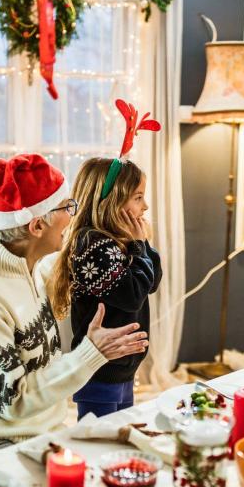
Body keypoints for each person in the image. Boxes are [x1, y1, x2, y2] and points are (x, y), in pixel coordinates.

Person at [0, 154, 148, 461]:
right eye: (67, 208)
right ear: (36, 226)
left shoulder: (32, 268)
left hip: (41, 435)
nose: (73, 216)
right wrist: (91, 354)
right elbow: (14, 401)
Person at [49, 157, 162, 419]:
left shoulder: (117, 241)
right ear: (111, 200)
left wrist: (142, 244)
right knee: (97, 435)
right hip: (99, 368)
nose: (144, 206)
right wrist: (137, 246)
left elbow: (151, 283)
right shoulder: (92, 244)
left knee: (118, 430)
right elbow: (133, 296)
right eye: (137, 197)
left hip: (122, 366)